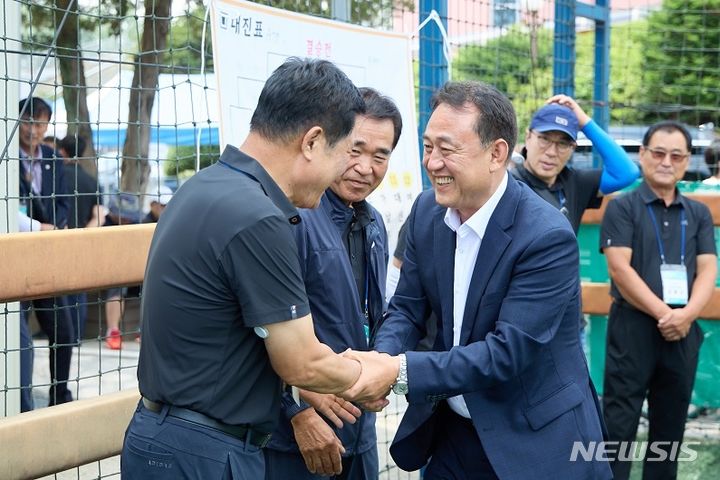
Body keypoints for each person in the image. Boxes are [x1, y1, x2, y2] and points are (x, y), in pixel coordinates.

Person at [121, 58, 376, 479]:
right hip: (204, 451)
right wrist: (378, 373)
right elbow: (303, 363)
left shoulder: (202, 186)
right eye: (345, 153)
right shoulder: (258, 217)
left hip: (160, 434)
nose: (345, 171)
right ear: (312, 142)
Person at [347, 81, 611, 479]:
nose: (432, 162)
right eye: (428, 146)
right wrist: (380, 360)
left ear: (497, 154)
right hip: (451, 432)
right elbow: (406, 307)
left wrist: (397, 373)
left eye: (447, 149)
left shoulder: (545, 235)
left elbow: (506, 352)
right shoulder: (427, 213)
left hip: (531, 439)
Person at [264, 87, 401, 480]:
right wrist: (298, 409)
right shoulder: (294, 216)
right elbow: (254, 328)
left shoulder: (373, 222)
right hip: (293, 438)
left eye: (381, 155)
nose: (365, 167)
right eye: (355, 150)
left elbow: (375, 317)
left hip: (358, 431)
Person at [600, 121, 717, 480]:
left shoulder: (698, 214)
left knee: (671, 427)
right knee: (619, 427)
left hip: (683, 332)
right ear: (644, 155)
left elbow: (708, 269)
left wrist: (687, 316)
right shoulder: (622, 208)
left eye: (676, 155)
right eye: (659, 153)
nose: (667, 162)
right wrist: (666, 313)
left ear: (686, 162)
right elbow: (620, 269)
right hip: (633, 327)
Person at [18, 97, 74, 406]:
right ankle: (22, 400)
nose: (33, 130)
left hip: (48, 255)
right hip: (17, 255)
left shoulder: (54, 157)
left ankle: (60, 395)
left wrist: (57, 226)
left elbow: (64, 202)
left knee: (63, 331)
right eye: (28, 122)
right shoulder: (8, 159)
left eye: (40, 123)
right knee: (19, 337)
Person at [513, 95, 639, 234]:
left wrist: (584, 122)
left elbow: (627, 172)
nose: (552, 152)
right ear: (528, 137)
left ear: (573, 148)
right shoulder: (508, 183)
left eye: (563, 144)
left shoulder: (574, 183)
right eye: (544, 139)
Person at [59, 134, 105, 342]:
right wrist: (84, 233)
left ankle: (63, 334)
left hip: (58, 238)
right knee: (80, 291)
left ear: (62, 151)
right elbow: (99, 216)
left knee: (58, 290)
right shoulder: (92, 181)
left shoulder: (57, 176)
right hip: (83, 241)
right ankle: (76, 335)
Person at [101, 192, 142, 350]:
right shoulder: (104, 225)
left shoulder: (136, 223)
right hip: (111, 271)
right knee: (117, 284)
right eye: (123, 216)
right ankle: (113, 331)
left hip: (135, 270)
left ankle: (144, 330)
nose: (126, 219)